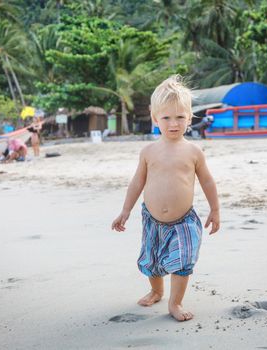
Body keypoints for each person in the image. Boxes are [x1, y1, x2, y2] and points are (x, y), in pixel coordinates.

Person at [111, 75, 220, 322]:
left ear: (189, 118)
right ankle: (157, 290)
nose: (174, 123)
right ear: (155, 118)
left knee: (183, 260)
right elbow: (137, 182)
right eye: (167, 117)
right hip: (152, 219)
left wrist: (215, 210)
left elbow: (207, 181)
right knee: (152, 260)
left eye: (180, 117)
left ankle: (175, 302)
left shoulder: (193, 151)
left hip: (184, 221)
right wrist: (125, 211)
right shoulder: (148, 152)